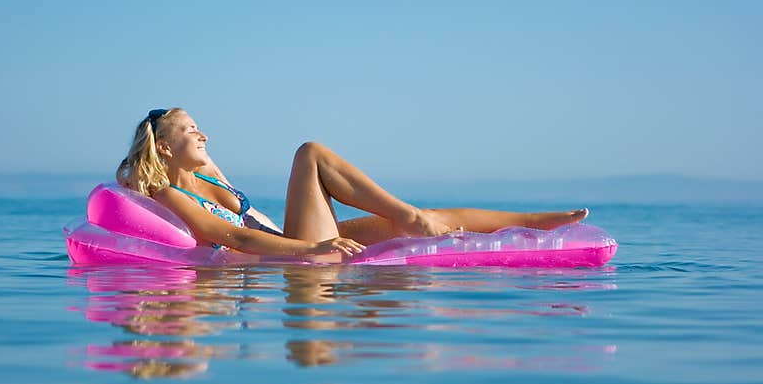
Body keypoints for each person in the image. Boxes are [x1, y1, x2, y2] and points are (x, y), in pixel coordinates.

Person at [115, 107, 589, 258]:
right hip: (293, 256)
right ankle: (409, 216)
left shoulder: (207, 177)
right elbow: (229, 234)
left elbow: (197, 157)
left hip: (294, 241)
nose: (203, 134)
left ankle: (535, 221)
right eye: (190, 129)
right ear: (162, 146)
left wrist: (182, 141)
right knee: (311, 154)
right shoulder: (168, 193)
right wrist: (312, 252)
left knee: (424, 220)